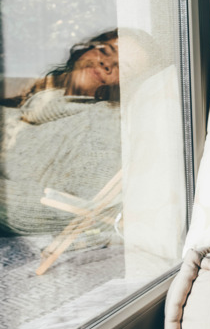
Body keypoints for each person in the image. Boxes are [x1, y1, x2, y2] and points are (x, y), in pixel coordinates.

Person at [0, 30, 122, 238]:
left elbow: (74, 210)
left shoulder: (103, 123)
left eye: (122, 66)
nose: (107, 63)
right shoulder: (41, 95)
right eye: (104, 50)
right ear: (85, 49)